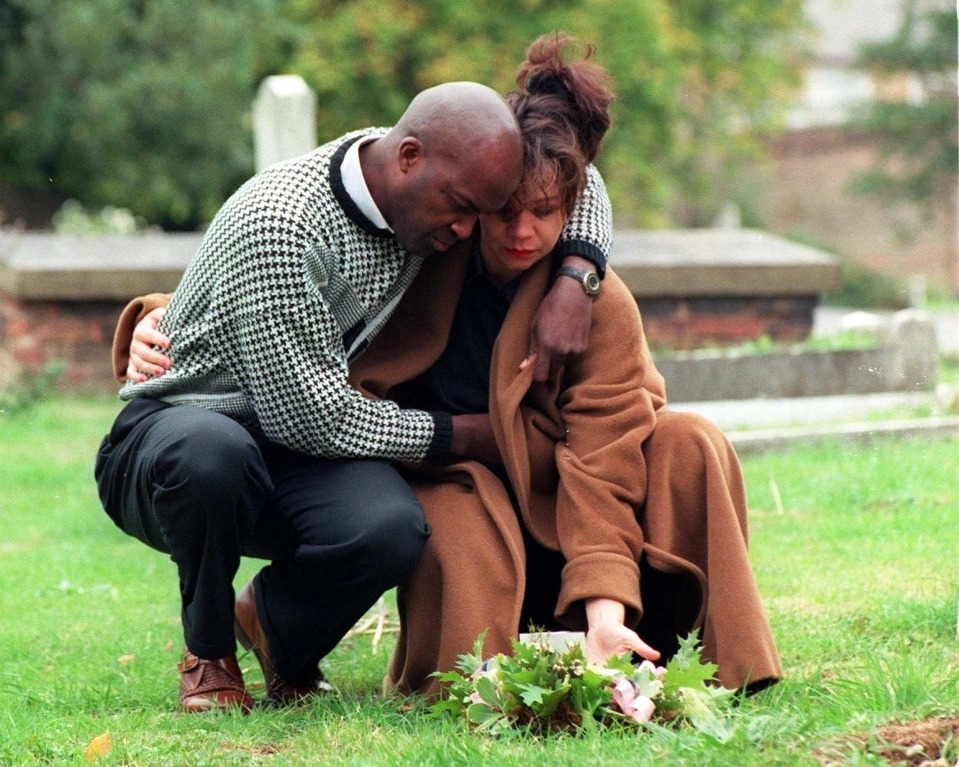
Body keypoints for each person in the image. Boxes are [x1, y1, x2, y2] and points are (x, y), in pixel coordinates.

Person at [115, 35, 782, 698]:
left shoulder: (586, 290)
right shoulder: (427, 248)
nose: (519, 231)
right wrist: (159, 312)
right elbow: (294, 295)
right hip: (443, 477)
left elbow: (604, 453)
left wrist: (577, 274)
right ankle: (465, 673)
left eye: (545, 213)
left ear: (570, 206)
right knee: (429, 503)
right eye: (497, 213)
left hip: (575, 504)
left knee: (692, 439)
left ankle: (702, 656)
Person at [95, 79, 615, 714]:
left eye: (479, 210)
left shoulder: (427, 192)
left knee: (389, 529)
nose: (465, 228)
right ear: (409, 158)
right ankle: (208, 655)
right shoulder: (283, 227)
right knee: (215, 454)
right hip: (179, 430)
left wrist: (577, 274)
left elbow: (566, 175)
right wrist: (461, 435)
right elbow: (312, 419)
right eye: (460, 207)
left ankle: (278, 634)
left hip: (288, 447)